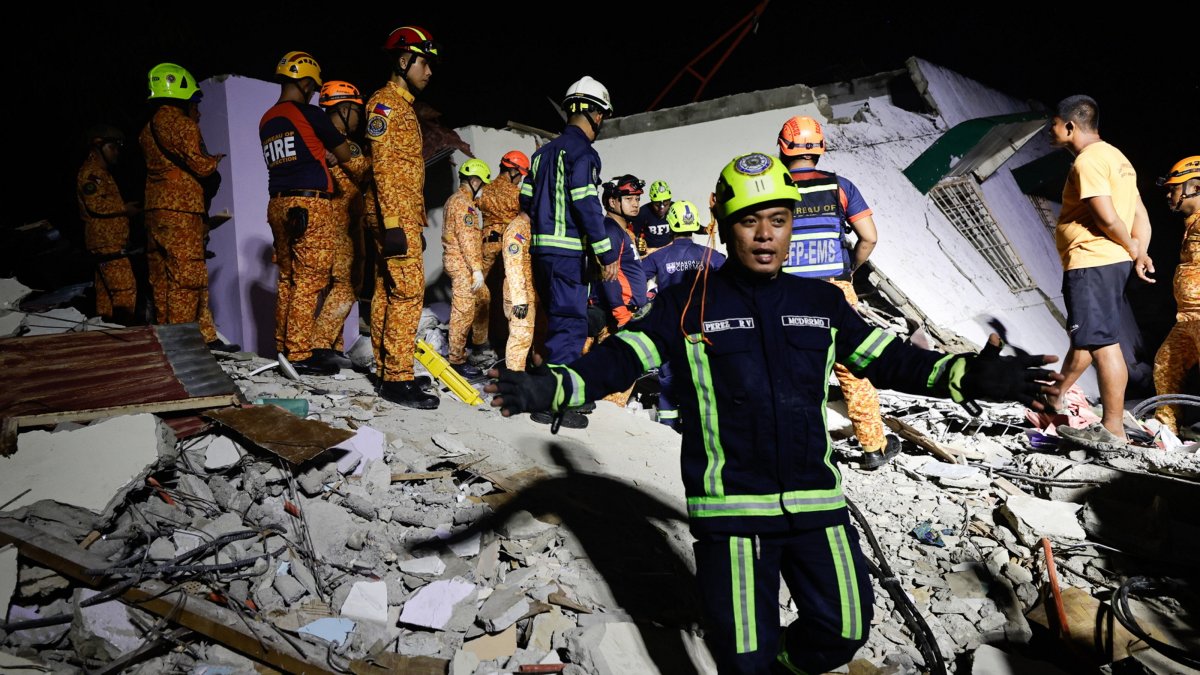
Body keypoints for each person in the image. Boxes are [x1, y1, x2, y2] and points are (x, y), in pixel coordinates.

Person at [486, 152, 1063, 674]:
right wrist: (553, 387)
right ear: (724, 222)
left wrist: (967, 375)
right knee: (742, 661)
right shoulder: (688, 301)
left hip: (817, 506)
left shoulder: (820, 303)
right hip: (732, 515)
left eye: (778, 220)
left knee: (843, 632)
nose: (765, 236)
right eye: (748, 221)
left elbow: (890, 362)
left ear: (792, 223)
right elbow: (619, 360)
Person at [777, 115, 898, 469]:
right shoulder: (841, 186)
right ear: (820, 148)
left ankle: (797, 449)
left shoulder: (774, 189)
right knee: (853, 368)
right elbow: (869, 236)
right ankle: (874, 447)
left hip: (789, 292)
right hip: (835, 289)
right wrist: (850, 273)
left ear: (783, 148)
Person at [1048, 95, 1154, 440]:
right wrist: (1139, 251)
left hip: (1092, 260)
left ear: (1069, 126)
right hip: (1111, 262)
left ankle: (1112, 428)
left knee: (1103, 345)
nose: (1050, 131)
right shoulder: (1118, 158)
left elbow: (1105, 215)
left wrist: (1131, 248)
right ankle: (1053, 397)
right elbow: (1140, 214)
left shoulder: (1088, 161)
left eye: (1053, 125)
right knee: (1090, 339)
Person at [260, 53, 367, 376]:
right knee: (310, 282)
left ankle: (284, 348)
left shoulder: (267, 119)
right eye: (312, 87)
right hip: (309, 203)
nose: (313, 93)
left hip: (278, 202)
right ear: (306, 83)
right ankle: (300, 354)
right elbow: (346, 154)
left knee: (290, 280)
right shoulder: (306, 113)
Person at [519, 76, 620, 369]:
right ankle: (561, 400)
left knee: (554, 320)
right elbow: (586, 203)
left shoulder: (540, 155)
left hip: (541, 255)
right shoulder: (583, 153)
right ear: (596, 114)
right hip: (568, 256)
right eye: (603, 115)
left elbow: (526, 201)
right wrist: (606, 253)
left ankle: (550, 384)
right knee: (571, 324)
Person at [365, 26, 440, 409]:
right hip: (392, 213)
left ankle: (386, 369)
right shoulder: (385, 105)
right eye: (424, 62)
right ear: (403, 60)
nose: (429, 71)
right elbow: (383, 167)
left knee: (386, 290)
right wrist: (394, 223)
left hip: (401, 214)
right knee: (409, 292)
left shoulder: (402, 106)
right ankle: (397, 377)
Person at [139, 62, 232, 350]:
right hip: (181, 209)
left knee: (164, 278)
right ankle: (185, 345)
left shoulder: (146, 129)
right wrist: (216, 159)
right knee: (187, 278)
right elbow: (201, 166)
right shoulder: (182, 124)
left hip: (156, 208)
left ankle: (185, 338)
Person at [642, 200, 726, 428]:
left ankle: (667, 428)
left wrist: (649, 299)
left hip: (669, 326)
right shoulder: (710, 255)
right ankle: (697, 425)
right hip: (701, 326)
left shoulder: (659, 257)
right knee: (700, 378)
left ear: (670, 224)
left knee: (668, 378)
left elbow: (634, 278)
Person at [315, 80, 370, 365]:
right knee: (347, 285)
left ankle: (333, 348)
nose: (360, 118)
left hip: (325, 224)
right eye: (357, 111)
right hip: (342, 226)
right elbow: (364, 171)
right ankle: (321, 344)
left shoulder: (316, 141)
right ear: (345, 108)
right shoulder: (344, 146)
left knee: (330, 286)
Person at [1152, 156, 1199, 434]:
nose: (1170, 195)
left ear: (1195, 188)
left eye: (1174, 188)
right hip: (1187, 318)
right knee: (1166, 363)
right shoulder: (1191, 224)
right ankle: (1166, 428)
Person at [77, 124, 140, 325]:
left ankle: (105, 338)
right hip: (107, 245)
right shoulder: (91, 173)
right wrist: (124, 208)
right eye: (112, 147)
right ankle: (122, 337)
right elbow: (95, 204)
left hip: (109, 246)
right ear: (98, 146)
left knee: (105, 299)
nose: (116, 152)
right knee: (125, 291)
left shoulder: (103, 174)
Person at [474, 150, 531, 367]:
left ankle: (481, 343)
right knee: (509, 296)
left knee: (485, 297)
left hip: (487, 246)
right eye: (521, 174)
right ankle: (506, 344)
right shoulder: (517, 195)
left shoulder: (485, 190)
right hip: (509, 249)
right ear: (515, 171)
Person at [442, 158, 492, 378]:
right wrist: (476, 269)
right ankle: (456, 360)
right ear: (474, 181)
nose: (482, 190)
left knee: (482, 298)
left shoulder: (455, 200)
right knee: (462, 311)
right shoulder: (464, 205)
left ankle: (476, 345)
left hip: (458, 261)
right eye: (482, 184)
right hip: (462, 263)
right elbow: (468, 240)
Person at [596, 175, 649, 330]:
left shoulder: (620, 230)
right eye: (628, 199)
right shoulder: (611, 231)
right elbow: (608, 276)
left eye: (637, 199)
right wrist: (622, 316)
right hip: (621, 317)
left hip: (631, 313)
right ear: (613, 202)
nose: (635, 204)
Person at [501, 212, 536, 372]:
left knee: (529, 339)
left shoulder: (529, 226)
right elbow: (513, 264)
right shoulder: (517, 228)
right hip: (520, 295)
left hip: (530, 292)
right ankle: (514, 386)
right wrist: (520, 299)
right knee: (520, 339)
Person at [632, 179, 674, 255]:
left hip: (671, 253)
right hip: (650, 255)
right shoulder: (643, 212)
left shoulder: (676, 209)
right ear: (652, 201)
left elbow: (691, 226)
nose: (662, 208)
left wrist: (703, 230)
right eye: (657, 204)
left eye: (666, 203)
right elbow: (631, 234)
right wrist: (638, 243)